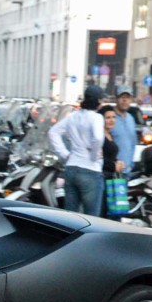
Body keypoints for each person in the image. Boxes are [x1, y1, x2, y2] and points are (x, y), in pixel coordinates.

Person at [48, 85, 106, 215]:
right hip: (90, 170)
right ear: (98, 100)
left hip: (71, 167)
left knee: (71, 217)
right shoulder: (96, 117)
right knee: (92, 219)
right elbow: (97, 138)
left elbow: (53, 132)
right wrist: (94, 155)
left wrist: (64, 154)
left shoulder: (73, 116)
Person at [99, 106, 126, 221]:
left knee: (114, 213)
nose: (111, 120)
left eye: (114, 117)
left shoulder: (110, 135)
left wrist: (117, 162)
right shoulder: (99, 136)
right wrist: (113, 165)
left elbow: (110, 156)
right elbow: (98, 158)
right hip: (102, 178)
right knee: (104, 214)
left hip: (112, 178)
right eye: (108, 117)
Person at [112, 91, 140, 168]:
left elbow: (133, 143)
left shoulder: (130, 119)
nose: (125, 100)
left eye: (128, 98)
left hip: (127, 169)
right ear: (116, 99)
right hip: (112, 170)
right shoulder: (110, 117)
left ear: (131, 100)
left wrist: (131, 164)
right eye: (122, 97)